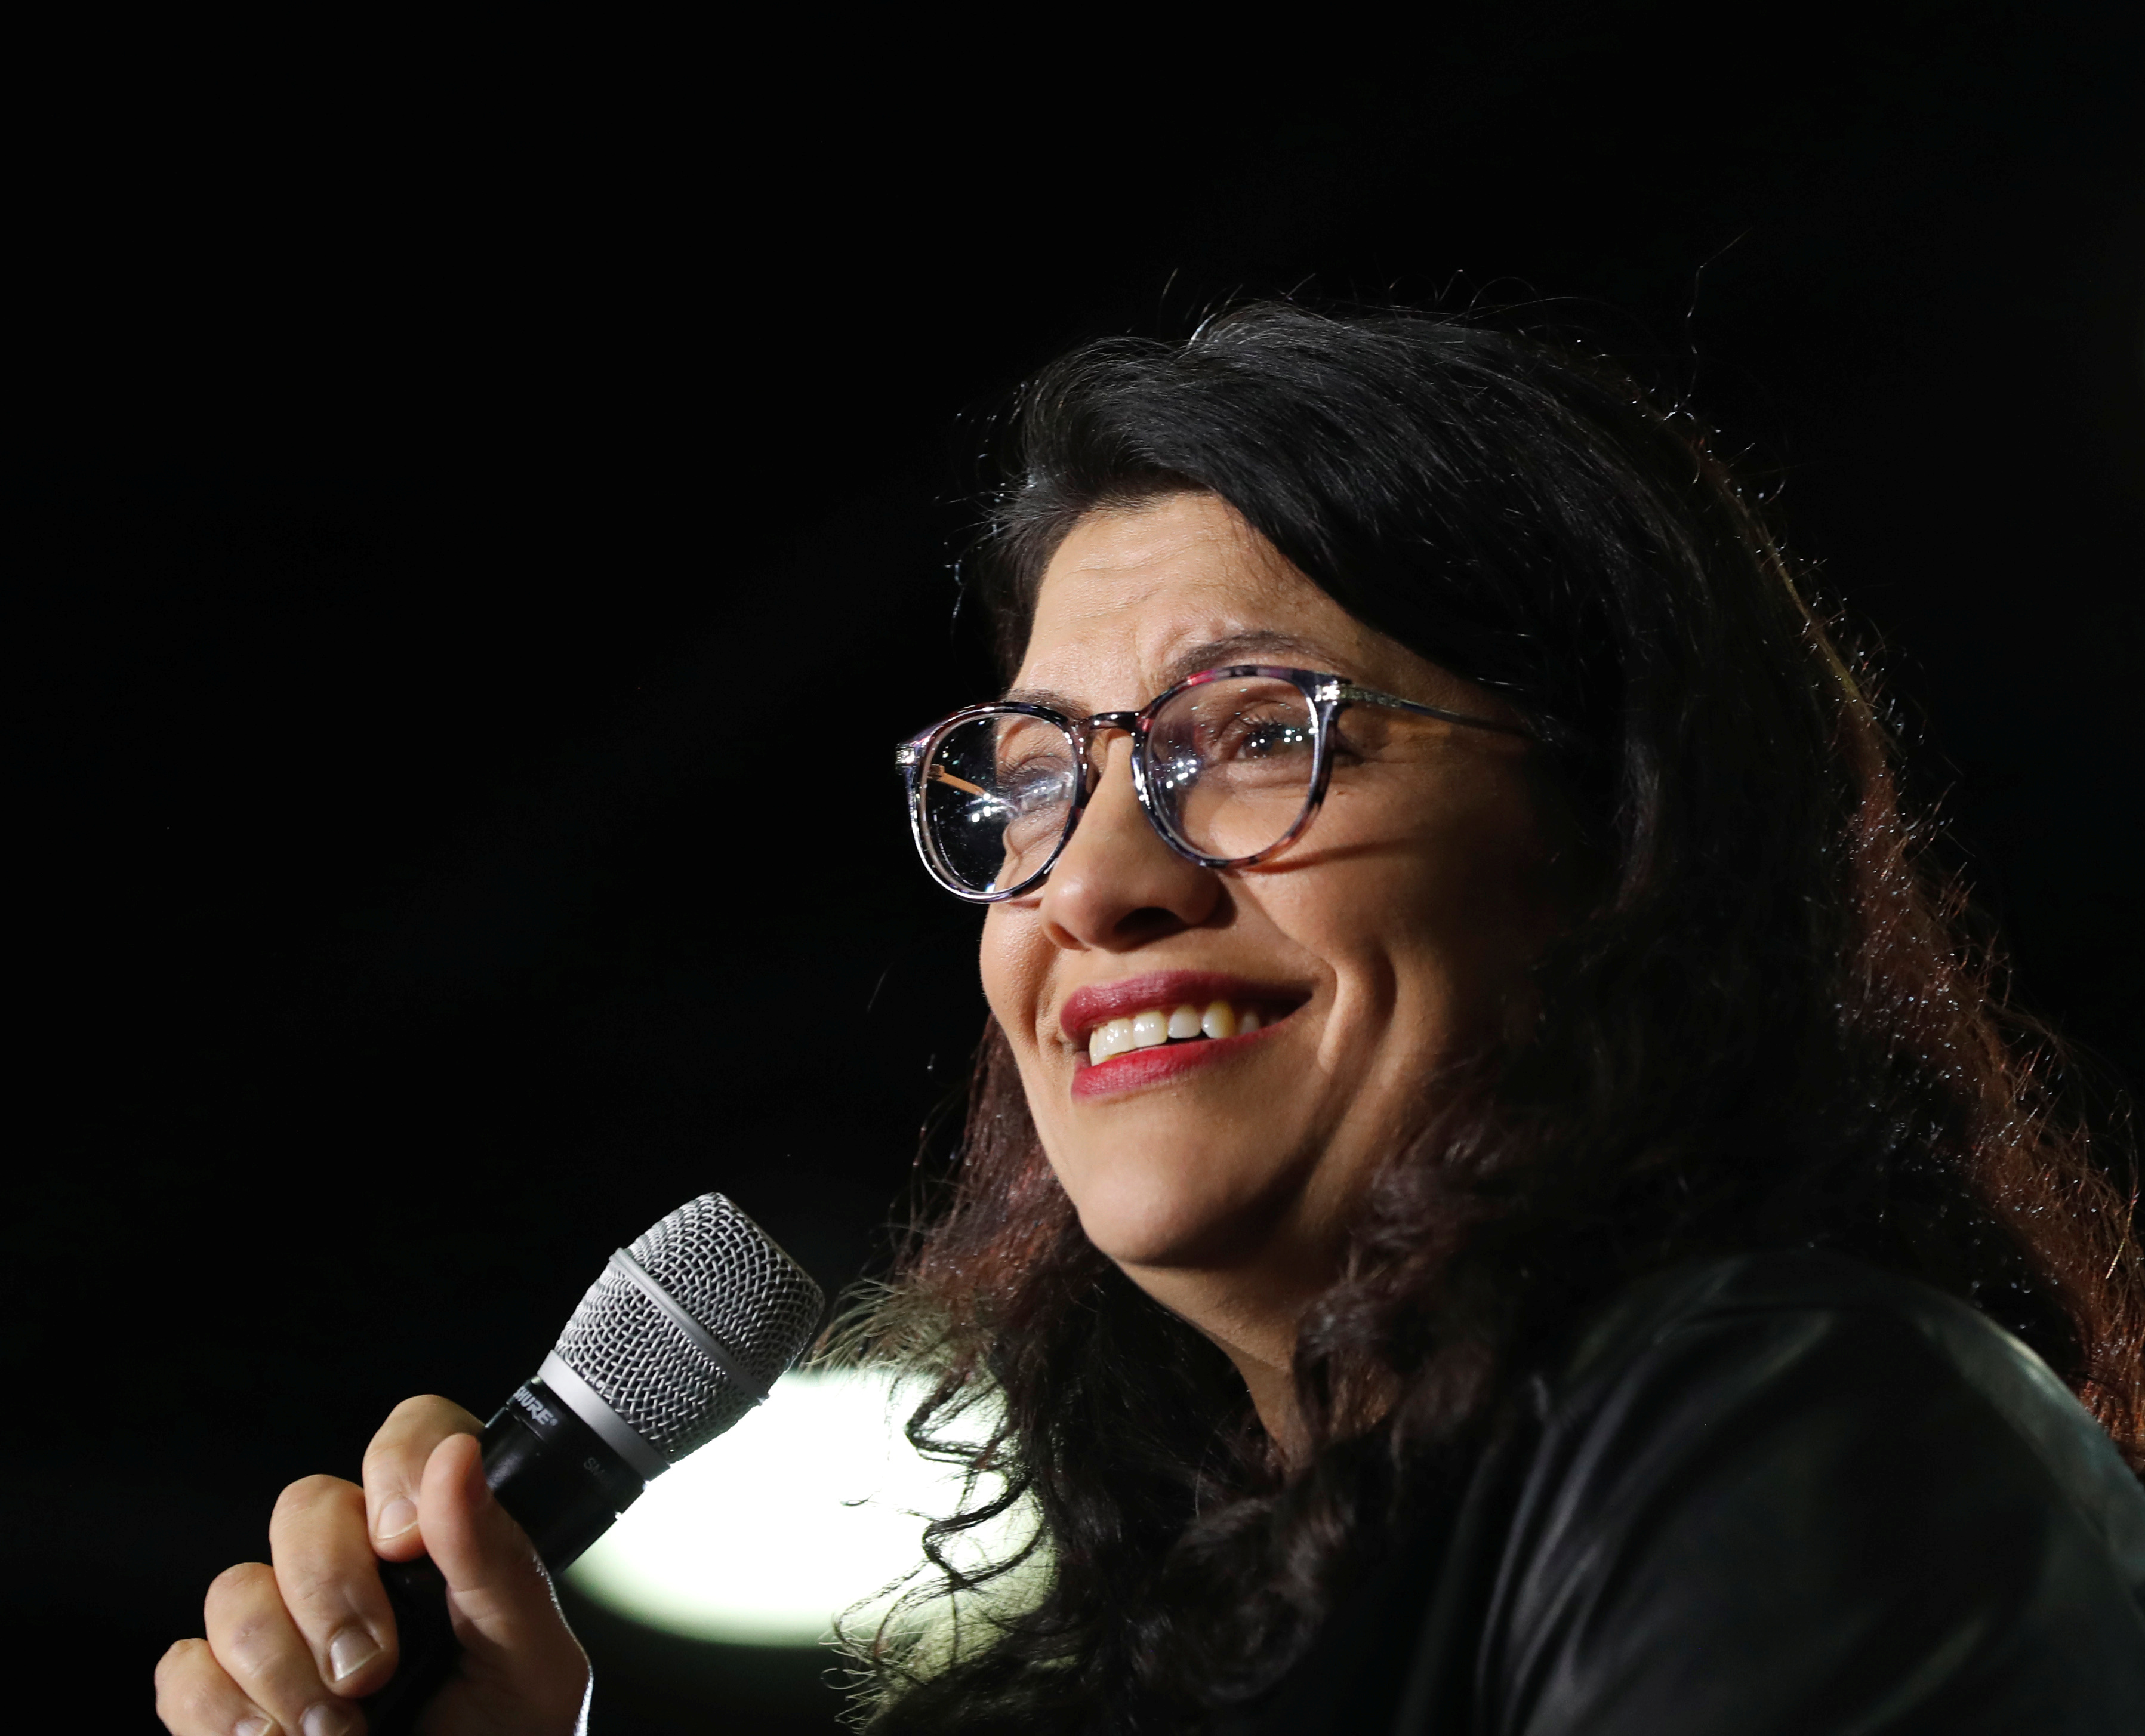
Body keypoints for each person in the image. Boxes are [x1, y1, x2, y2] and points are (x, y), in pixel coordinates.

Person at [154, 305, 2145, 1735]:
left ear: (1618, 831)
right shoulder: (1192, 1638)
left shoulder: (1806, 1429)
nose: (1094, 882)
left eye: (1258, 736)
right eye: (1032, 780)